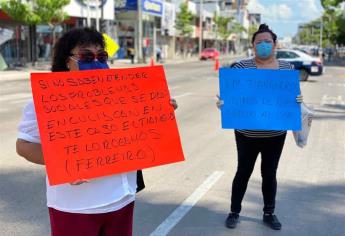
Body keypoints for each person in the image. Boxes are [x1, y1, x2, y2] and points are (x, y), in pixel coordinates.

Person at [16, 27, 178, 236]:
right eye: (85, 56)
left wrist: (159, 113)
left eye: (101, 56)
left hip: (122, 198)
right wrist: (65, 164)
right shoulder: (48, 99)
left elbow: (138, 137)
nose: (96, 61)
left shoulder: (124, 94)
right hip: (77, 206)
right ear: (67, 61)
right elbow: (24, 146)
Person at [217, 24, 303, 231]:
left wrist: (298, 100)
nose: (263, 45)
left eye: (267, 42)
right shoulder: (241, 67)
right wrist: (223, 104)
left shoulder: (286, 69)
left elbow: (293, 98)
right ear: (253, 45)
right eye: (259, 42)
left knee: (270, 173)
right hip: (247, 133)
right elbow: (231, 97)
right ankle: (234, 211)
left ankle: (269, 212)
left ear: (275, 44)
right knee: (243, 172)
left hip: (275, 134)